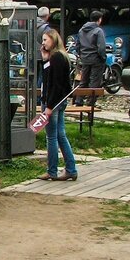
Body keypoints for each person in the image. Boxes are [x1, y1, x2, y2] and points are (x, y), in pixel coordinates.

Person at [37, 28, 78, 181]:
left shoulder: (57, 58)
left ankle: (52, 170)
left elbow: (53, 84)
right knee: (61, 135)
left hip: (53, 102)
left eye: (45, 40)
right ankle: (70, 169)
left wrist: (48, 106)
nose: (43, 43)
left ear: (53, 40)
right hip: (59, 101)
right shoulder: (59, 57)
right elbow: (50, 78)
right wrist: (45, 60)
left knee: (52, 137)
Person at [75, 10, 106, 105]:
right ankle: (91, 102)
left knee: (83, 80)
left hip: (84, 58)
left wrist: (81, 55)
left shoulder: (81, 30)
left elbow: (77, 45)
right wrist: (103, 57)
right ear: (99, 20)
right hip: (96, 59)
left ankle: (79, 100)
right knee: (94, 81)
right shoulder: (98, 31)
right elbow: (101, 47)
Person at [35, 7, 51, 106]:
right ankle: (38, 98)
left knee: (33, 77)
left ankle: (33, 96)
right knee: (42, 77)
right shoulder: (46, 29)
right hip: (42, 55)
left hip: (31, 54)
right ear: (47, 16)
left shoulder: (31, 23)